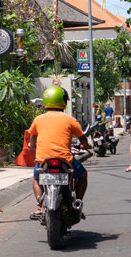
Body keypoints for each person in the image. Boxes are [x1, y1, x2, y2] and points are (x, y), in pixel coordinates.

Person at [28, 86, 91, 219]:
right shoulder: (70, 120)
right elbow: (83, 139)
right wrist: (87, 146)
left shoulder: (38, 119)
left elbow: (32, 140)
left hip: (43, 161)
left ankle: (39, 207)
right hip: (65, 161)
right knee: (83, 175)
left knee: (36, 177)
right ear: (63, 101)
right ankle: (78, 202)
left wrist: (31, 145)